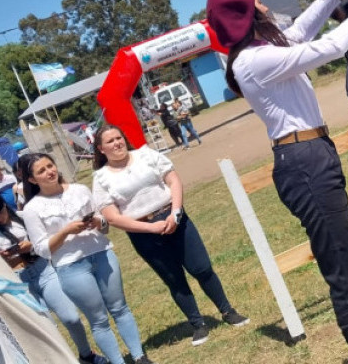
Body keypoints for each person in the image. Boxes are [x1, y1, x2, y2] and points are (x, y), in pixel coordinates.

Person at [206, 0, 348, 364]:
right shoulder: (253, 61)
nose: (263, 2)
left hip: (312, 153)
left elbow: (301, 31)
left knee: (347, 254)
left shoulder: (262, 48)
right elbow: (330, 47)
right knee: (342, 262)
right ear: (245, 11)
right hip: (303, 161)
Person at [91, 124, 248, 347]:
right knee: (174, 279)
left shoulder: (146, 154)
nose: (117, 143)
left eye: (119, 137)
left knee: (202, 268)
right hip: (144, 233)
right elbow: (113, 217)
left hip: (175, 218)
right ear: (101, 149)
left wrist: (175, 213)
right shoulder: (101, 178)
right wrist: (150, 228)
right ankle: (198, 324)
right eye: (110, 141)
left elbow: (173, 180)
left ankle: (228, 311)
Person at [20, 153, 154, 364]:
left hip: (101, 254)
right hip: (71, 266)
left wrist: (98, 222)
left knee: (120, 307)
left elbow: (105, 227)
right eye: (41, 171)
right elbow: (42, 249)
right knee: (99, 320)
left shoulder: (79, 190)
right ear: (32, 180)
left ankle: (140, 357)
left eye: (50, 165)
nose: (49, 172)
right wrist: (66, 232)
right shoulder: (32, 209)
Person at [0, 194, 108, 364]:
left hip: (43, 270)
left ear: (5, 205)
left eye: (0, 212)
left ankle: (86, 355)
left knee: (71, 317)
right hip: (18, 280)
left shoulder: (24, 217)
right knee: (46, 327)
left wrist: (31, 247)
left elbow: (46, 241)